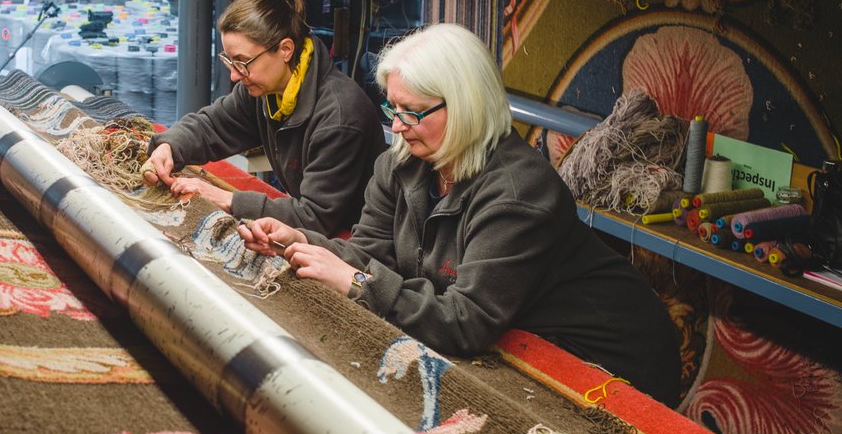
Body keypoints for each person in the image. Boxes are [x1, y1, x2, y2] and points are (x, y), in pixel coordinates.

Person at [238, 23, 682, 406]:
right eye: (394, 108)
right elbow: (370, 252)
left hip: (611, 358)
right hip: (524, 332)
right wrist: (301, 243)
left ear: (466, 104)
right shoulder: (401, 163)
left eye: (413, 112)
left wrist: (354, 283)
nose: (396, 125)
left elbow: (466, 322)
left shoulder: (519, 193)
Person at [144, 0, 386, 236]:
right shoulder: (265, 90)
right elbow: (213, 126)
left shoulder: (339, 116)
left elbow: (314, 218)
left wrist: (228, 200)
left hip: (353, 245)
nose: (234, 75)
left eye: (242, 62)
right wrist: (169, 147)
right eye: (229, 61)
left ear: (285, 50)